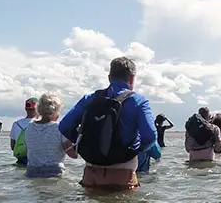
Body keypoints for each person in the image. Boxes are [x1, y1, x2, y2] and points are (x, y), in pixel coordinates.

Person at [59, 57, 157, 191]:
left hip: (91, 172)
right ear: (132, 78)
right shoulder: (138, 101)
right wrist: (133, 151)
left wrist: (83, 143)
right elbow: (150, 136)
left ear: (109, 77)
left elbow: (64, 126)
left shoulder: (90, 98)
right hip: (122, 173)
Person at [24, 94, 76, 177]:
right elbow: (73, 154)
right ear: (55, 111)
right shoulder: (59, 128)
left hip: (31, 171)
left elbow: (29, 150)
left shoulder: (29, 127)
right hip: (54, 172)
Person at [10, 97, 39, 165]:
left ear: (25, 108)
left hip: (21, 158)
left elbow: (12, 146)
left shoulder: (16, 124)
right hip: (37, 159)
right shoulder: (43, 123)